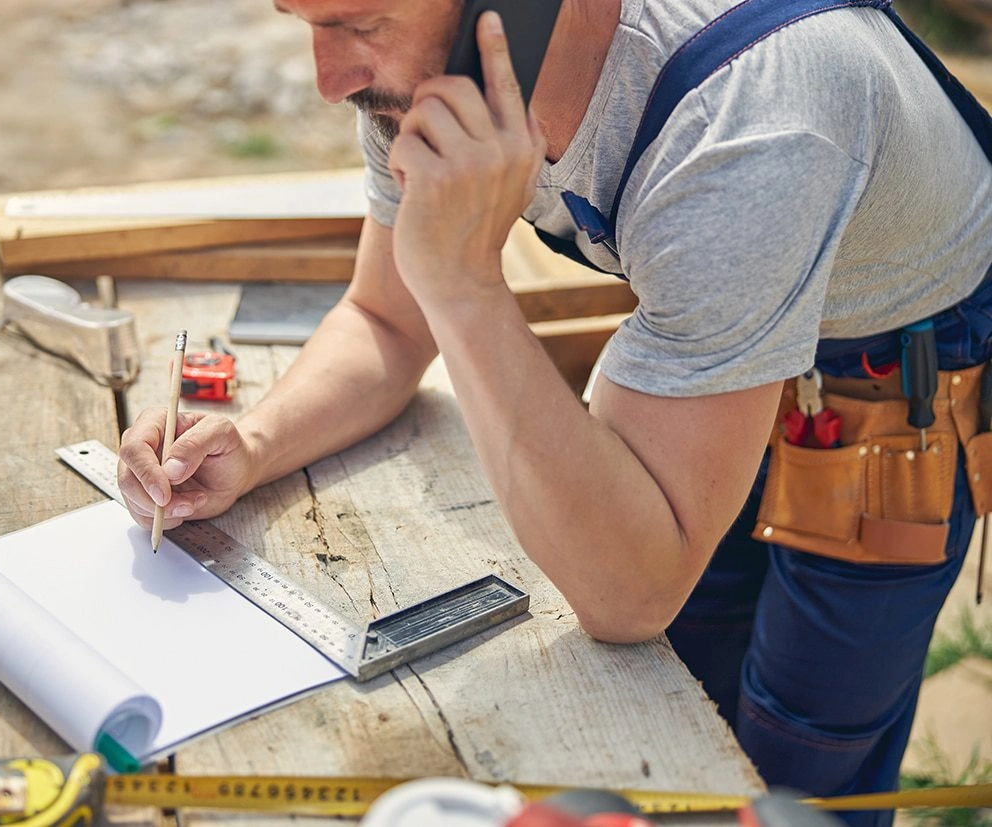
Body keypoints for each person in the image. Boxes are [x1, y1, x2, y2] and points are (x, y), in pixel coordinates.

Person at [118, 0, 992, 822]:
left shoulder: (749, 123)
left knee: (797, 756)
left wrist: (463, 283)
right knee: (685, 682)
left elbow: (630, 593)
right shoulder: (426, 81)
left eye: (363, 23)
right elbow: (387, 318)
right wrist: (253, 442)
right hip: (728, 300)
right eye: (308, 23)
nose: (328, 79)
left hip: (894, 367)